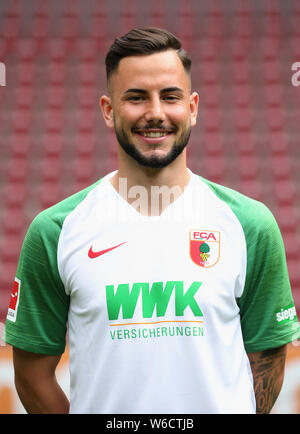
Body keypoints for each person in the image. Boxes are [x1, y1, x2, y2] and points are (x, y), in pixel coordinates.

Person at [3, 27, 300, 414]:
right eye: (137, 98)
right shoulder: (55, 231)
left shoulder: (250, 225)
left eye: (170, 97)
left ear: (192, 107)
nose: (156, 113)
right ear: (109, 111)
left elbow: (269, 357)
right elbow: (31, 374)